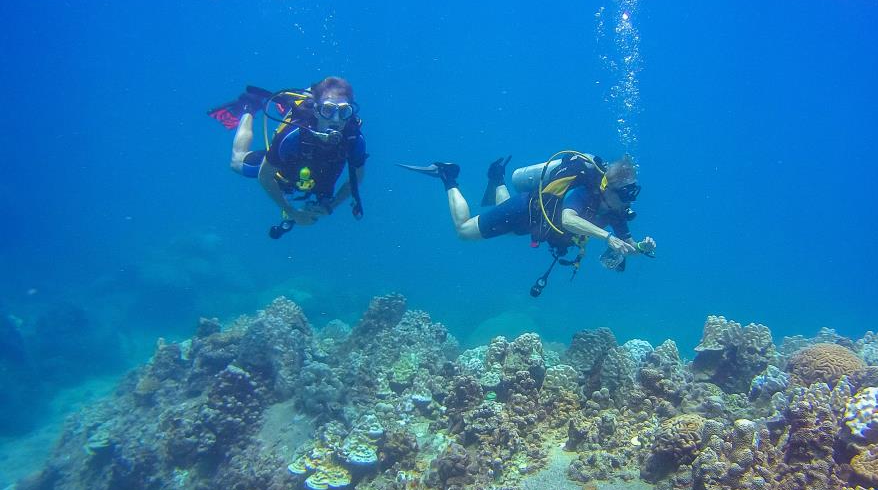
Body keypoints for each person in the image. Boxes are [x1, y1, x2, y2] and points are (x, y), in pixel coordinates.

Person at [398, 151, 655, 292]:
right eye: (623, 194)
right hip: (523, 210)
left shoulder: (617, 210)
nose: (627, 202)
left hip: (533, 225)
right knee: (464, 231)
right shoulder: (583, 193)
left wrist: (641, 247)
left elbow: (627, 244)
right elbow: (568, 219)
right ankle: (448, 175)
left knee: (509, 231)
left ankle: (498, 178)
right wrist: (607, 237)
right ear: (607, 187)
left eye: (630, 195)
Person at [208, 77, 369, 239]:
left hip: (318, 177)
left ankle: (296, 102)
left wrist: (331, 206)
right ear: (316, 110)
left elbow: (356, 179)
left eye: (344, 112)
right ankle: (248, 107)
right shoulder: (293, 134)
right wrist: (291, 212)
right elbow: (264, 176)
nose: (335, 119)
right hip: (286, 167)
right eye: (327, 110)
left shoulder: (353, 138)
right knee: (236, 162)